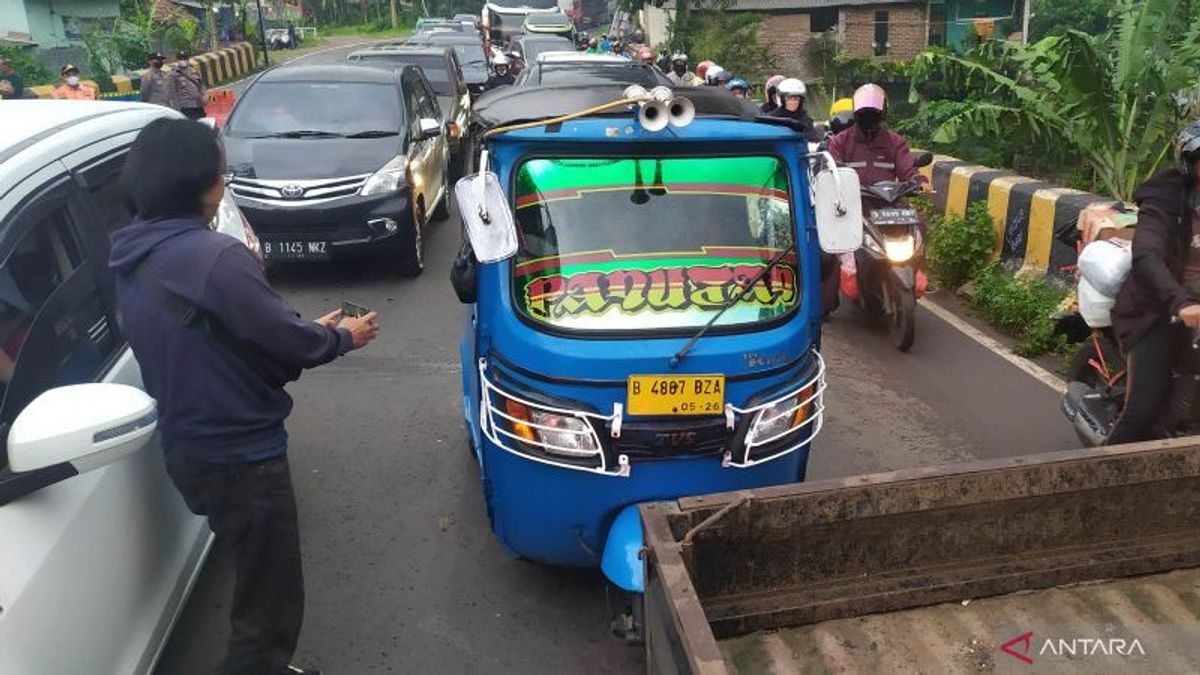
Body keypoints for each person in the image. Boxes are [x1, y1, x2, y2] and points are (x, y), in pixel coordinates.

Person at [109, 118, 379, 675]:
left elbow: (241, 328)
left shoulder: (132, 253)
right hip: (243, 458)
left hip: (190, 449)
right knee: (269, 606)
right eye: (220, 171)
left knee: (252, 572)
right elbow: (286, 339)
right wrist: (339, 337)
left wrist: (305, 328)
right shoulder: (214, 257)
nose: (225, 181)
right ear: (197, 182)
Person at [1107, 121, 1200, 444]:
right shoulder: (1165, 196)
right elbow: (1147, 252)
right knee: (1143, 411)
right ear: (1190, 163)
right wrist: (1182, 302)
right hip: (1158, 310)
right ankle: (1099, 482)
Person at [828, 83, 930, 192]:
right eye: (864, 112)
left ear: (883, 111)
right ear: (856, 111)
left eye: (873, 112)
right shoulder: (840, 142)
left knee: (907, 208)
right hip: (851, 204)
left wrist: (920, 182)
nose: (868, 115)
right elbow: (832, 173)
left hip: (887, 204)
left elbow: (907, 170)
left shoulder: (895, 142)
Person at [172, 50, 207, 120]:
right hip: (185, 106)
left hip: (198, 105)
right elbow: (172, 91)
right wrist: (175, 107)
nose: (183, 60)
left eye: (184, 58)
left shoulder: (194, 71)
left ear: (188, 59)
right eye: (181, 58)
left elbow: (201, 84)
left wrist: (204, 95)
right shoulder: (174, 74)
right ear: (177, 60)